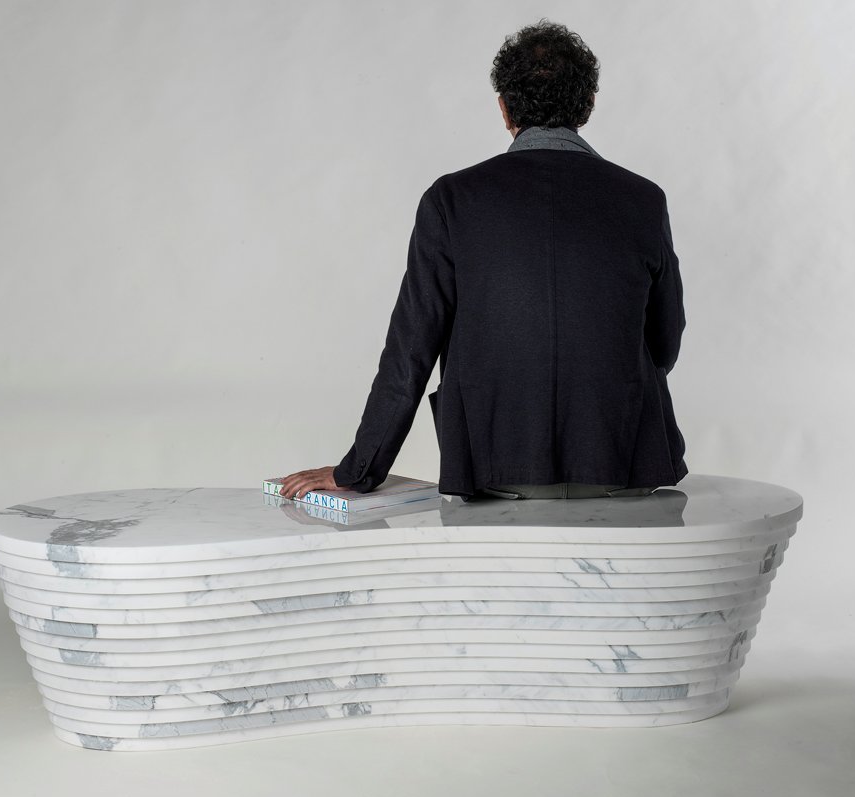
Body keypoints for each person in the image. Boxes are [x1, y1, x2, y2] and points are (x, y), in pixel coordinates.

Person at [280, 18, 687, 503]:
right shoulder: (643, 199)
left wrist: (359, 469)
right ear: (588, 104)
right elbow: (664, 343)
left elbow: (411, 350)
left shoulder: (452, 199)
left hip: (495, 468)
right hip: (623, 466)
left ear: (503, 107)